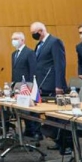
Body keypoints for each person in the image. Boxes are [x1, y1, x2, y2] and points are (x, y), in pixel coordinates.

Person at [30, 22, 68, 153]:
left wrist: (59, 85)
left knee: (59, 117)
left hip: (53, 85)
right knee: (51, 118)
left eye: (34, 33)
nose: (33, 35)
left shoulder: (54, 42)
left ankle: (66, 146)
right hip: (43, 84)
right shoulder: (39, 45)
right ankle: (58, 141)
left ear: (41, 31)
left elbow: (60, 65)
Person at [10, 32, 40, 140]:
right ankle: (28, 130)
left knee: (31, 110)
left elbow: (33, 70)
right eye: (12, 39)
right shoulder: (14, 54)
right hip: (17, 85)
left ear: (22, 40)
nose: (13, 41)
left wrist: (32, 85)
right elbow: (14, 71)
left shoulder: (29, 52)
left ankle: (37, 132)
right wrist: (12, 85)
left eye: (16, 38)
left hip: (28, 85)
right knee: (22, 108)